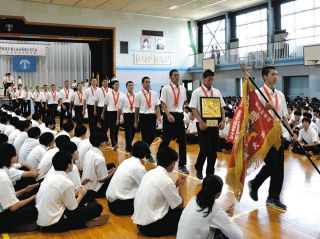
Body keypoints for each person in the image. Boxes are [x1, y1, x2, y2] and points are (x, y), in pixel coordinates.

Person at [248, 66, 289, 211]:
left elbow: (283, 116)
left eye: (277, 74)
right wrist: (264, 107)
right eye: (272, 74)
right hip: (264, 136)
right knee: (272, 165)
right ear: (265, 77)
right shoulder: (258, 94)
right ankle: (255, 183)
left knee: (279, 169)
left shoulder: (280, 95)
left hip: (278, 135)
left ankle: (273, 198)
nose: (276, 77)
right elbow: (251, 116)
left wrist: (291, 132)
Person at [36, 151, 108, 232]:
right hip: (54, 224)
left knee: (90, 194)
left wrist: (76, 192)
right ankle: (85, 223)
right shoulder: (66, 182)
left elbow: (61, 195)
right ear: (69, 165)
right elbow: (72, 208)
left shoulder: (51, 176)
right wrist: (81, 194)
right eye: (71, 161)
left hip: (43, 219)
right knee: (97, 208)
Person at [132, 146, 186, 237]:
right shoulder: (165, 180)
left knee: (169, 203)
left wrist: (175, 184)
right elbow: (179, 205)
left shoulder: (150, 173)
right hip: (152, 227)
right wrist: (181, 186)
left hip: (141, 224)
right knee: (184, 212)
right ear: (172, 163)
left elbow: (161, 190)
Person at [177, 175, 243, 239]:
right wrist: (229, 218)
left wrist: (223, 214)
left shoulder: (194, 199)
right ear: (218, 194)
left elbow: (205, 218)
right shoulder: (215, 208)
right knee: (224, 233)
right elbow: (238, 236)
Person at [189, 70, 226, 179]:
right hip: (202, 124)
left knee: (214, 150)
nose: (211, 81)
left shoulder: (217, 92)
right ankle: (199, 167)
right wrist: (200, 121)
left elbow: (221, 107)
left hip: (214, 124)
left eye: (212, 79)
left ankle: (210, 173)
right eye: (209, 79)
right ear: (203, 79)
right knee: (205, 148)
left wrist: (223, 120)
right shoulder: (197, 92)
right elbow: (193, 108)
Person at [0, 143, 39, 233]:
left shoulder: (3, 171)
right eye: (15, 154)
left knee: (27, 195)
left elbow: (7, 197)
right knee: (36, 206)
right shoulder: (3, 178)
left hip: (4, 208)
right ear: (10, 158)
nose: (17, 156)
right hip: (3, 217)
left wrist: (25, 190)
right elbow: (13, 207)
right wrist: (33, 197)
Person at [106, 141, 149, 215]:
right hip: (120, 206)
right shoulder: (139, 167)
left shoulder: (126, 161)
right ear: (145, 154)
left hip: (111, 203)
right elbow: (146, 186)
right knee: (148, 195)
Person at [159, 69, 188, 173]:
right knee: (166, 140)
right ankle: (160, 160)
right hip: (169, 115)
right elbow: (163, 103)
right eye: (175, 75)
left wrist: (182, 114)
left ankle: (182, 164)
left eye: (178, 75)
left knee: (183, 141)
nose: (177, 77)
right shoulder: (166, 89)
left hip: (179, 116)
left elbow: (183, 103)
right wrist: (167, 114)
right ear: (170, 77)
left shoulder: (183, 89)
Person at [134, 77, 162, 162]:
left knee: (153, 135)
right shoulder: (138, 94)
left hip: (152, 116)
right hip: (143, 116)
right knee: (145, 137)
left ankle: (143, 151)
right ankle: (148, 155)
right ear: (142, 83)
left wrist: (159, 116)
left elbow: (157, 106)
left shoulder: (154, 93)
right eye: (146, 82)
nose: (148, 83)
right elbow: (136, 109)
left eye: (149, 82)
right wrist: (136, 121)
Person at [82, 130, 116, 198]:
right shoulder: (99, 158)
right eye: (104, 141)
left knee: (111, 165)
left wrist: (108, 171)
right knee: (114, 171)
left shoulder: (89, 152)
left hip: (86, 184)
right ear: (101, 143)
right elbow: (102, 180)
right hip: (95, 190)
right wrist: (113, 172)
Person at [102, 80, 123, 150]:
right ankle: (114, 144)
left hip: (118, 113)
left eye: (118, 84)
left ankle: (115, 142)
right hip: (110, 113)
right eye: (116, 84)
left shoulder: (122, 94)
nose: (117, 86)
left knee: (117, 129)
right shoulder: (108, 94)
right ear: (113, 86)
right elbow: (105, 104)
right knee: (112, 128)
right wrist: (102, 113)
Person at [117, 81, 136, 152]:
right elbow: (119, 109)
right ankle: (128, 146)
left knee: (134, 131)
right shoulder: (123, 97)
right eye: (129, 85)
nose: (131, 86)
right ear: (126, 87)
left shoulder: (136, 96)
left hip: (134, 115)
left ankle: (129, 143)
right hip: (127, 115)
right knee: (128, 131)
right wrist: (118, 119)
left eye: (132, 85)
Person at [94, 78, 110, 144]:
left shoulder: (110, 90)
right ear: (102, 83)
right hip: (100, 108)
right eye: (104, 81)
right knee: (103, 124)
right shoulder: (98, 90)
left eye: (107, 82)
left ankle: (104, 136)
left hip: (109, 109)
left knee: (107, 124)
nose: (106, 83)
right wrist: (95, 110)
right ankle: (105, 138)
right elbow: (96, 101)